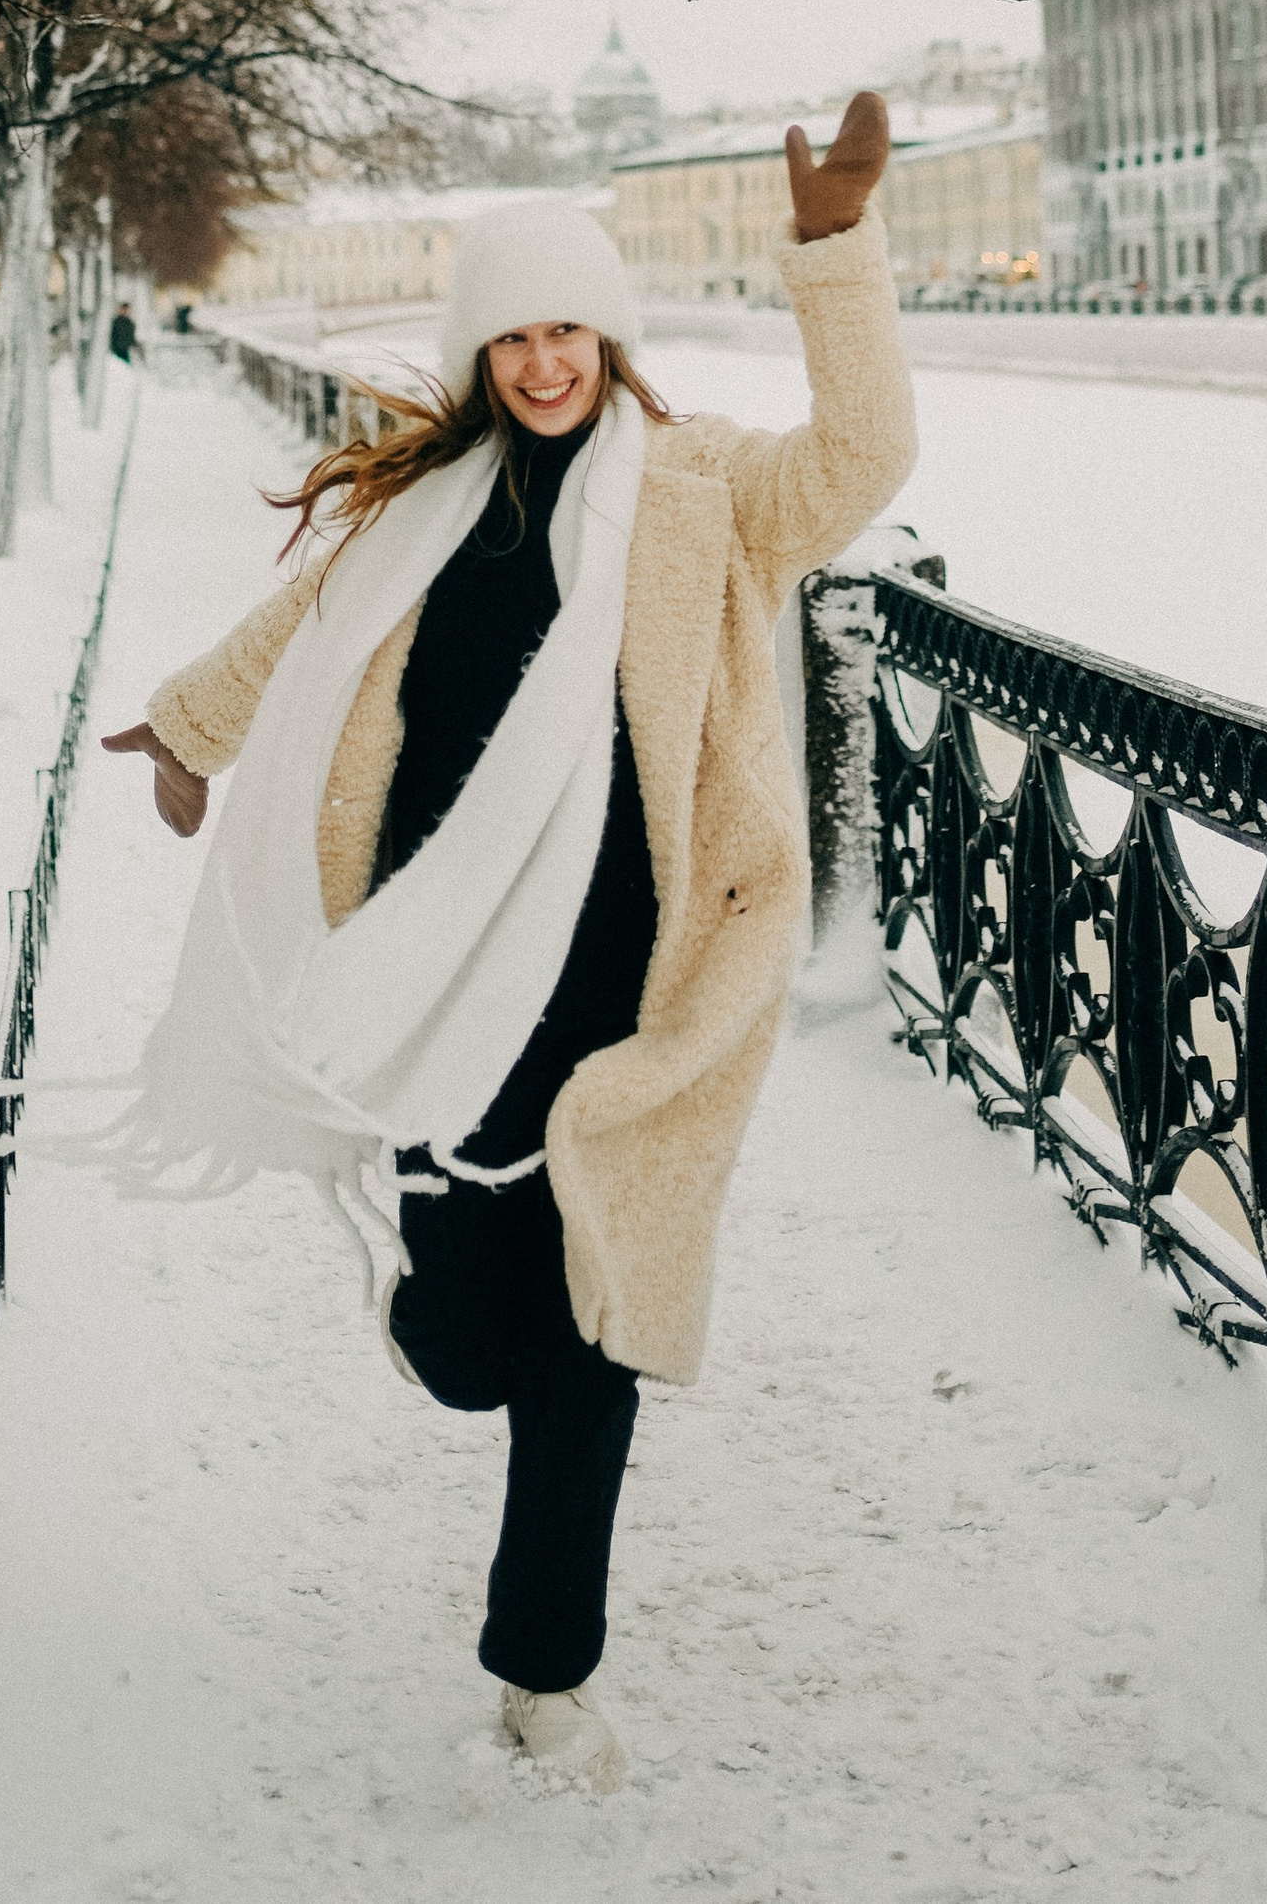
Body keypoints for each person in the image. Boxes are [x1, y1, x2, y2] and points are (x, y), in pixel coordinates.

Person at [103, 91, 913, 1794]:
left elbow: (862, 464)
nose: (546, 361)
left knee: (588, 1329)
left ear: (608, 337)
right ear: (480, 351)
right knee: (468, 1351)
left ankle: (548, 1665)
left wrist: (834, 255)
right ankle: (440, 1302)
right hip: (433, 980)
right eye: (516, 333)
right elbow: (299, 631)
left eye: (571, 328)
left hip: (631, 994)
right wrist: (189, 727)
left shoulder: (702, 492)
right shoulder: (419, 507)